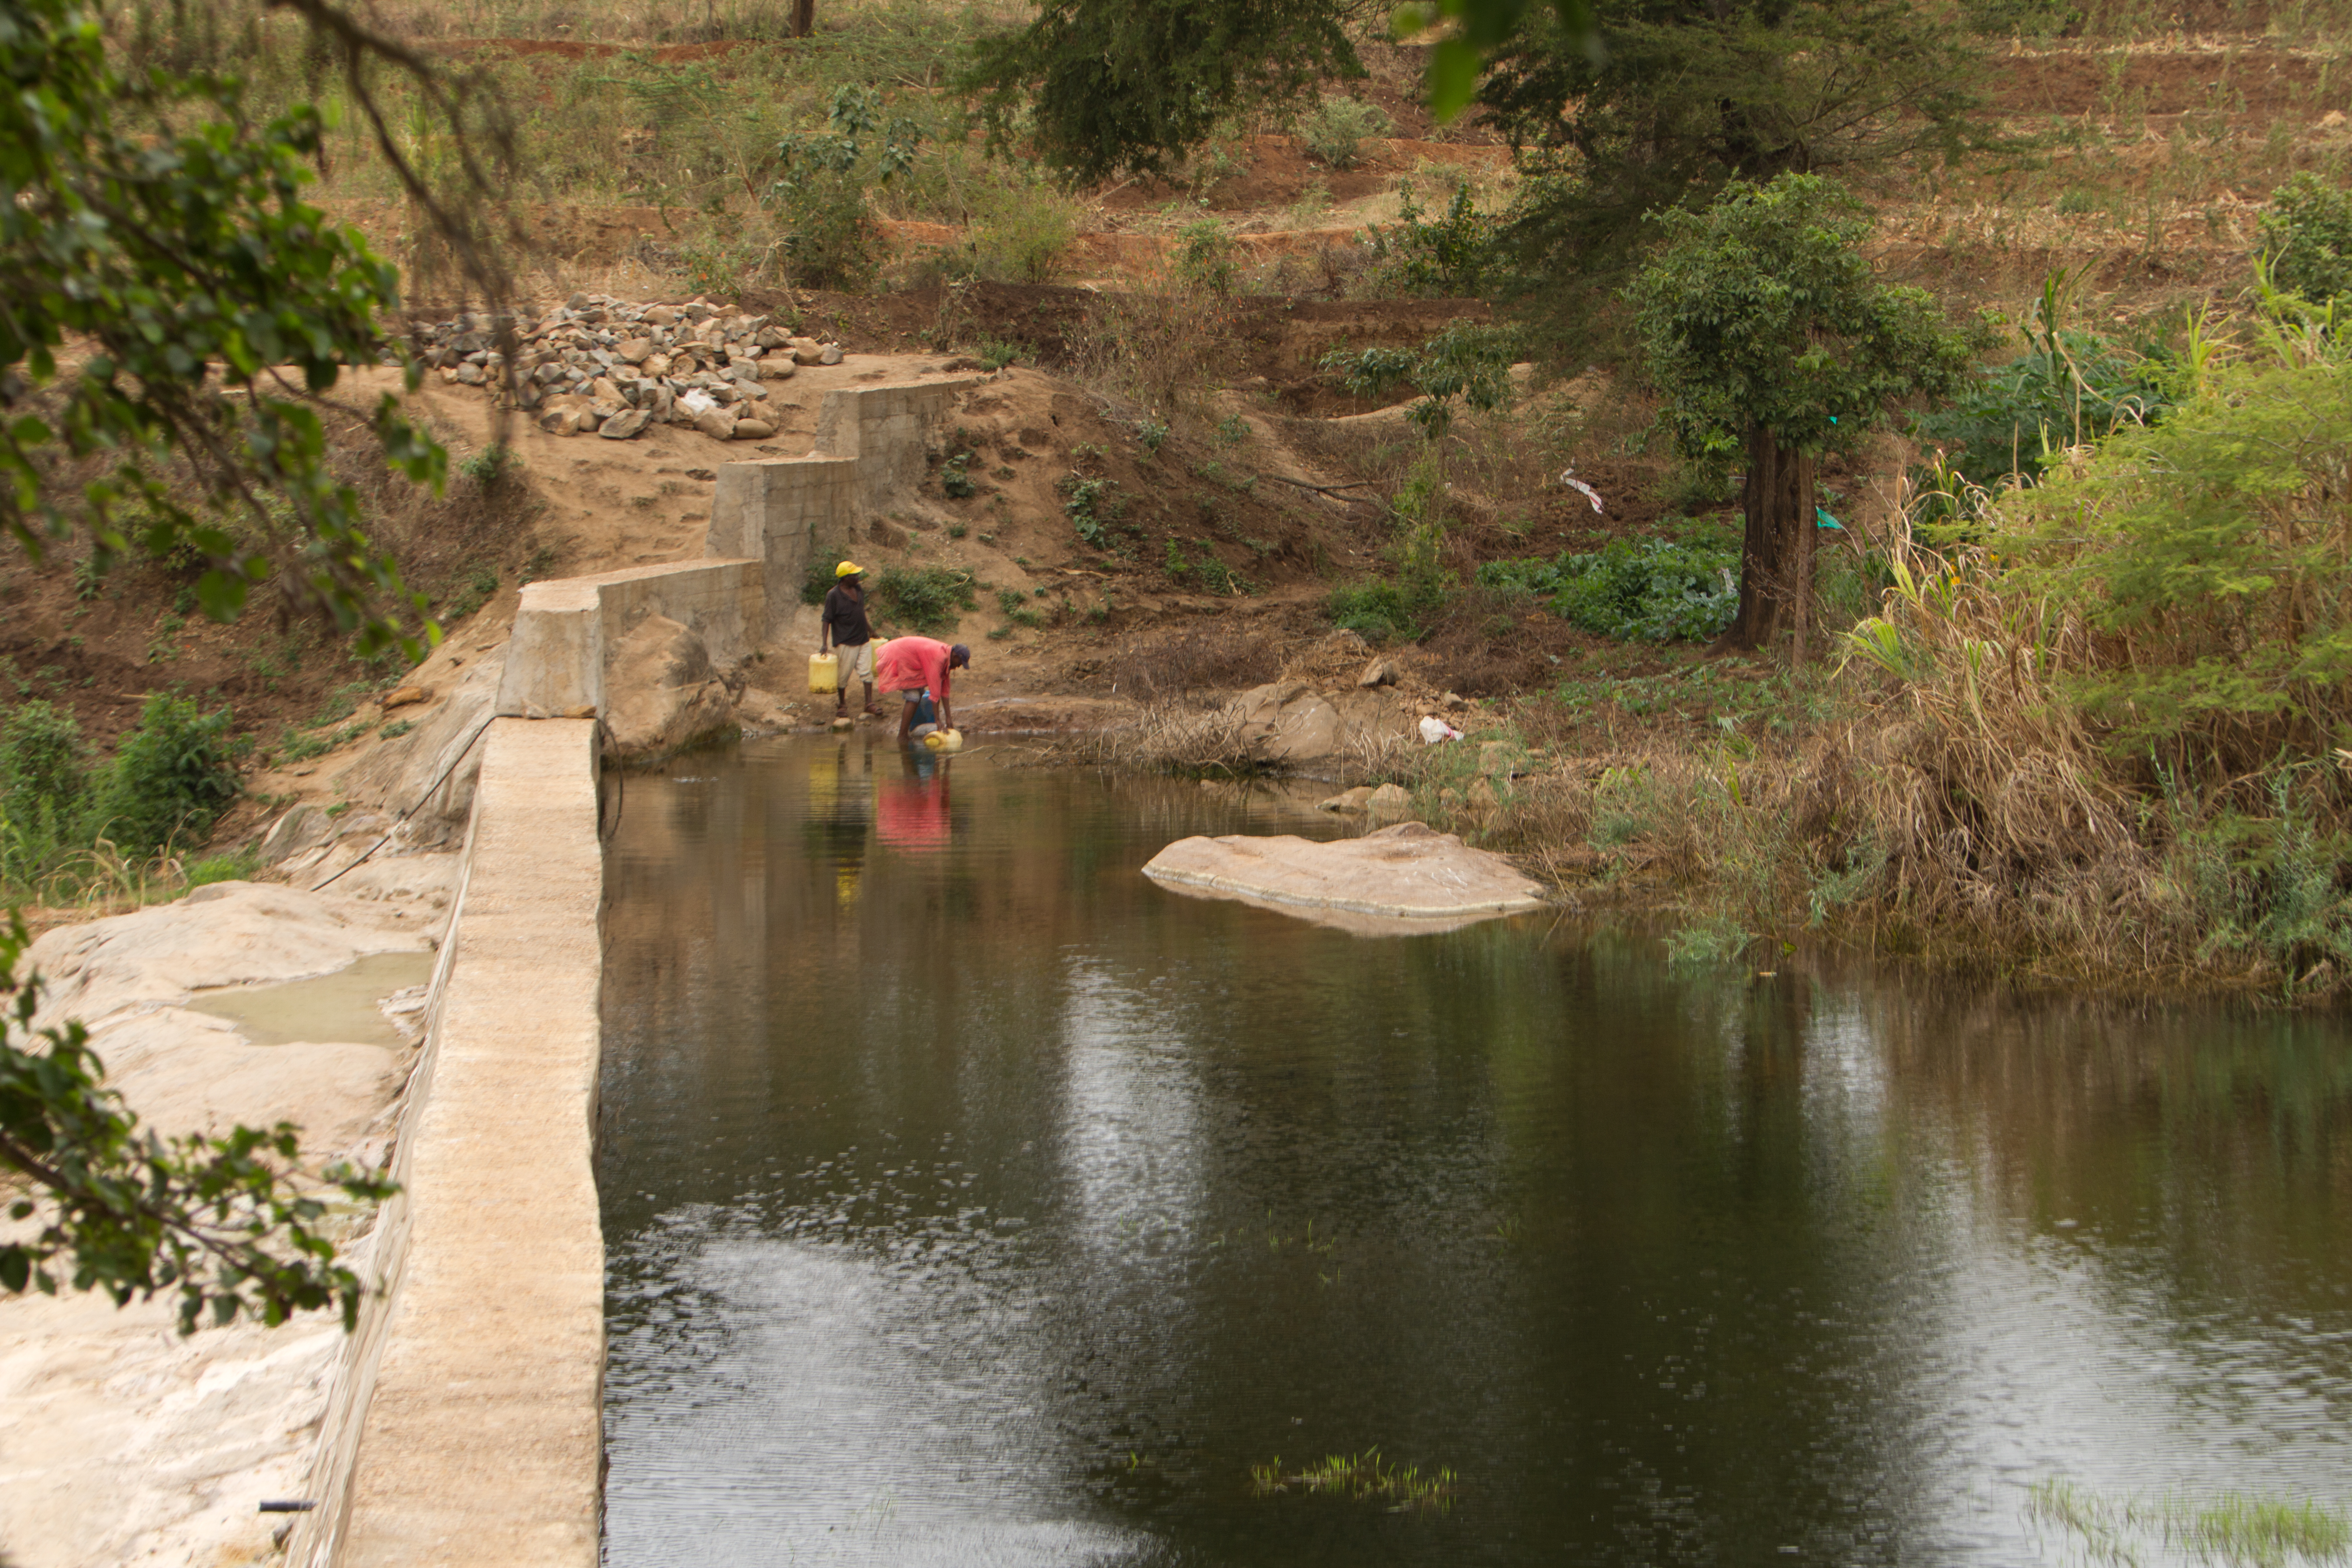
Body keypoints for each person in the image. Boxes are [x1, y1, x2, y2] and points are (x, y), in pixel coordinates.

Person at [875, 636, 969, 741]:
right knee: (913, 697)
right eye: (960, 663)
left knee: (919, 693)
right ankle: (902, 736)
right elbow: (935, 691)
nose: (958, 667)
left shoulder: (947, 657)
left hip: (908, 655)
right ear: (955, 656)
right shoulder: (939, 657)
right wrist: (937, 721)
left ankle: (905, 734)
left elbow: (945, 690)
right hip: (900, 654)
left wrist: (948, 718)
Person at [818, 561, 879, 720]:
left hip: (863, 639)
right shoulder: (833, 596)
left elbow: (861, 614)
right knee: (843, 676)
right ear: (845, 578)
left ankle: (869, 703)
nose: (858, 577)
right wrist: (825, 643)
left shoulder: (858, 589)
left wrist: (871, 631)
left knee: (867, 673)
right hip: (845, 641)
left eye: (857, 574)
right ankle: (842, 704)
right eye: (854, 576)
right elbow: (826, 620)